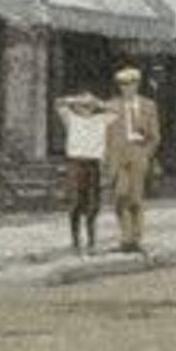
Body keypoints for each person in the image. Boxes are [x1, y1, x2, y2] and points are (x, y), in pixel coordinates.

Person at [102, 67, 161, 254]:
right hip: (117, 154)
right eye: (123, 84)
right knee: (120, 196)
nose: (127, 88)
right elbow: (103, 134)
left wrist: (146, 154)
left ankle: (136, 238)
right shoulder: (111, 106)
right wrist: (106, 156)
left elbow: (155, 136)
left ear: (137, 84)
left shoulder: (148, 106)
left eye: (131, 83)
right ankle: (125, 236)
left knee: (136, 197)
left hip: (138, 152)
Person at [53, 86, 109, 255]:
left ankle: (92, 241)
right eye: (83, 106)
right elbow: (58, 103)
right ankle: (75, 241)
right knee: (75, 202)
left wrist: (96, 101)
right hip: (76, 163)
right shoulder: (71, 118)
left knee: (93, 204)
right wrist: (77, 100)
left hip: (93, 163)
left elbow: (116, 111)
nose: (86, 109)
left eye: (89, 106)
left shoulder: (101, 119)